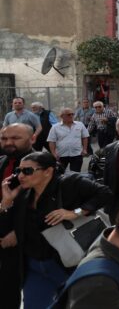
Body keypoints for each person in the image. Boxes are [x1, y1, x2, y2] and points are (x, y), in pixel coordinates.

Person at [0, 151, 112, 308]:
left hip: (66, 263)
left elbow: (105, 193)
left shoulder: (69, 183)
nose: (21, 176)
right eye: (18, 171)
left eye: (27, 171)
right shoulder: (23, 193)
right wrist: (6, 202)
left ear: (48, 171)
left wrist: (75, 213)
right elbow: (10, 224)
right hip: (34, 266)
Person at [0, 123, 35, 309]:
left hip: (21, 239)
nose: (8, 143)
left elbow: (42, 207)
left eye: (15, 138)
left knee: (12, 287)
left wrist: (18, 232)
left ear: (32, 139)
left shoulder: (43, 165)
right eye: (4, 138)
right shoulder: (2, 161)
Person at [47, 107, 90, 173]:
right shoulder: (55, 127)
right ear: (61, 116)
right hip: (61, 155)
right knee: (60, 174)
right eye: (68, 114)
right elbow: (52, 141)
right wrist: (54, 154)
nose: (71, 116)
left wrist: (84, 149)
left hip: (77, 154)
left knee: (75, 174)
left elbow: (85, 137)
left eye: (72, 114)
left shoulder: (80, 124)